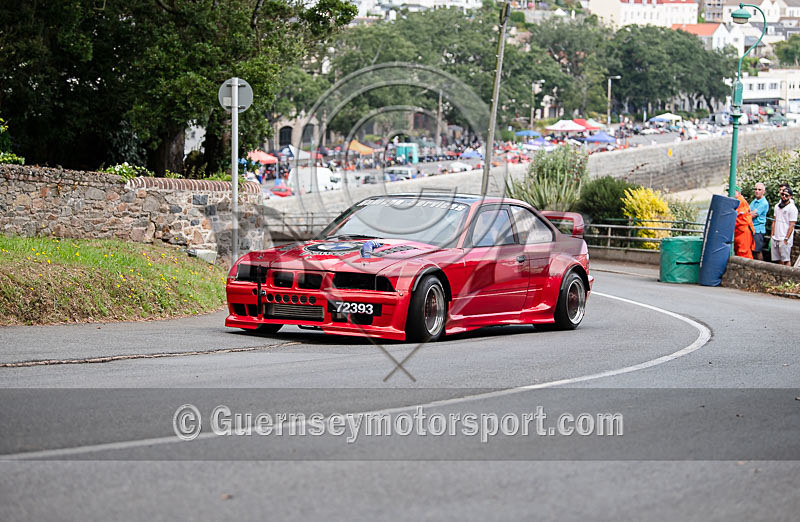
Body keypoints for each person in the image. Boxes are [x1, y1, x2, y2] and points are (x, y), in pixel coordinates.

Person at [770, 184, 798, 266]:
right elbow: (774, 220)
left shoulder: (792, 208)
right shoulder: (777, 206)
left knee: (786, 259)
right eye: (782, 194)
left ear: (790, 197)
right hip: (776, 237)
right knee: (778, 259)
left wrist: (786, 238)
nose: (784, 197)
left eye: (786, 195)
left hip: (784, 237)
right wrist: (772, 234)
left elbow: (792, 225)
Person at [749, 182, 769, 260]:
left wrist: (745, 215)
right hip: (752, 229)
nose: (757, 191)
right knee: (752, 250)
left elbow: (753, 214)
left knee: (757, 250)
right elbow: (748, 212)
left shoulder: (764, 203)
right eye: (756, 189)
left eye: (759, 190)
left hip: (758, 230)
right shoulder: (754, 201)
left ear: (763, 191)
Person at [733, 187, 755, 259]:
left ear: (738, 192)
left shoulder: (740, 201)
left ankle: (748, 270)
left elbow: (738, 215)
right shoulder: (735, 201)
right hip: (738, 231)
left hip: (743, 231)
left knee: (744, 252)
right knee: (739, 252)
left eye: (734, 191)